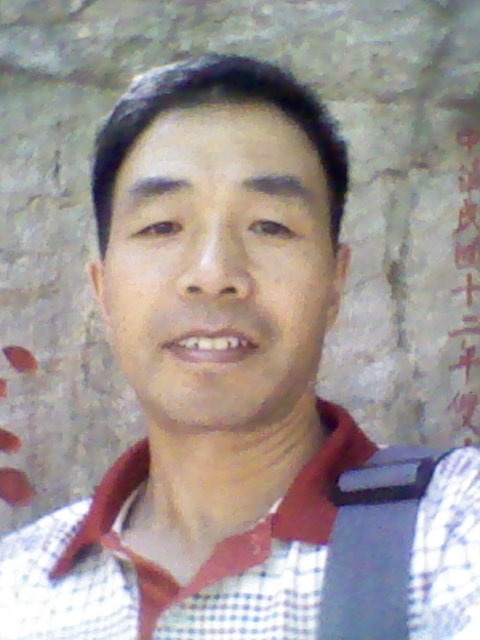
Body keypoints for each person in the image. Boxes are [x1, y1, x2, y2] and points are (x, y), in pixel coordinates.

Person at [0, 53, 479, 640]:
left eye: (270, 226)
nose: (213, 273)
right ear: (103, 289)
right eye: (162, 226)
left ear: (335, 283)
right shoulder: (16, 588)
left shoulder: (455, 531)